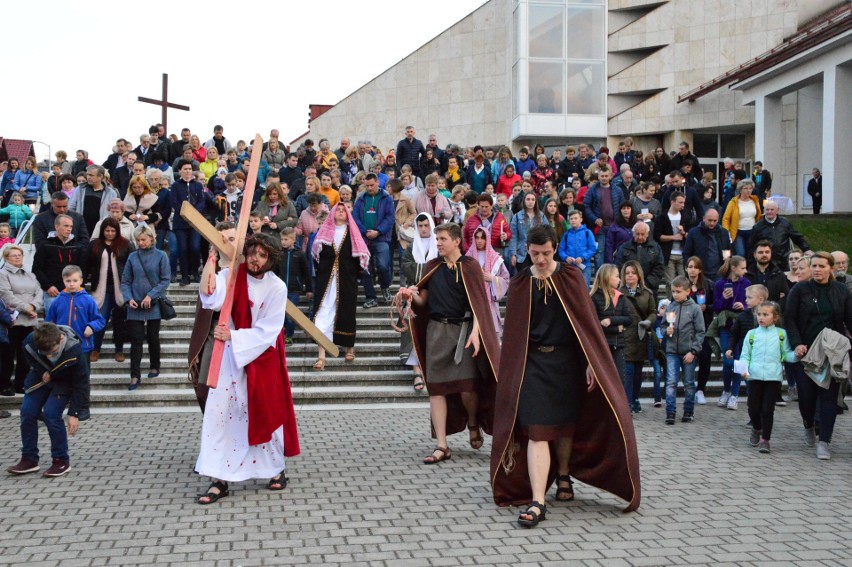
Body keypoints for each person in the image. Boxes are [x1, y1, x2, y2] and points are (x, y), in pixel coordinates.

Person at [491, 225, 640, 525]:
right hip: (532, 365)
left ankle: (563, 475)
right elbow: (515, 333)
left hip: (567, 363)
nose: (541, 260)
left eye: (546, 253)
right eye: (535, 254)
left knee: (565, 425)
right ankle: (537, 501)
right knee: (537, 429)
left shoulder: (571, 278)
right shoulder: (521, 283)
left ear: (556, 247)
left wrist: (590, 362)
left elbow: (586, 326)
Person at [195, 232, 300, 504]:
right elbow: (210, 294)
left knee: (264, 412)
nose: (255, 259)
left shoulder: (277, 287)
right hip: (229, 358)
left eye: (262, 255)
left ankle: (274, 470)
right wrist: (212, 256)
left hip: (262, 356)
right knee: (222, 415)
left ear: (271, 259)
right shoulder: (232, 275)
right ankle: (219, 477)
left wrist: (236, 336)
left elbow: (270, 329)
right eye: (252, 253)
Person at [399, 222, 500, 466]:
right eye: (437, 240)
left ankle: (473, 422)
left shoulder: (470, 266)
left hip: (463, 332)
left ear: (456, 241)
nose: (439, 243)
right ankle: (442, 446)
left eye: (443, 239)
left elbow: (479, 304)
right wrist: (411, 294)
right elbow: (424, 300)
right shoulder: (433, 266)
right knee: (436, 390)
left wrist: (477, 331)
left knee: (467, 388)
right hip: (436, 332)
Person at [784, 252, 852, 460]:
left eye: (822, 266)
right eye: (814, 265)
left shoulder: (841, 291)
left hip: (832, 353)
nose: (817, 269)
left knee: (829, 398)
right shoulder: (800, 289)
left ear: (830, 268)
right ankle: (808, 424)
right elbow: (790, 318)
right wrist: (797, 344)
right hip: (806, 351)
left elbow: (849, 320)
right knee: (806, 397)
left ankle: (825, 441)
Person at [6, 323, 89, 477]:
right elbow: (30, 359)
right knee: (27, 411)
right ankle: (29, 459)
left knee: (51, 414)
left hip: (64, 382)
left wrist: (74, 413)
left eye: (53, 352)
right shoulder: (30, 341)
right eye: (45, 353)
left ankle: (60, 460)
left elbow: (81, 383)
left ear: (61, 339)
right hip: (40, 378)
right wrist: (43, 370)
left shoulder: (75, 350)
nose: (50, 356)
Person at [311, 204, 370, 369]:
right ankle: (321, 356)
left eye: (344, 210)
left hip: (346, 279)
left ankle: (349, 348)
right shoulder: (324, 231)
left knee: (347, 312)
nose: (341, 212)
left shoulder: (352, 233)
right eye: (338, 209)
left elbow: (360, 257)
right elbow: (317, 255)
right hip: (326, 280)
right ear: (332, 213)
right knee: (322, 312)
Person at [188, 222, 237, 413]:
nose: (226, 244)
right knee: (205, 389)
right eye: (220, 240)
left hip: (241, 332)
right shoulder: (212, 270)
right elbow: (208, 298)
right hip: (216, 330)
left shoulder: (251, 269)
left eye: (231, 240)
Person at [741, 301, 799, 453]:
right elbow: (744, 355)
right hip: (754, 376)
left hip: (773, 378)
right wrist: (743, 370)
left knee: (768, 410)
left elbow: (786, 354)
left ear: (775, 317)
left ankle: (765, 440)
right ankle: (756, 427)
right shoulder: (751, 334)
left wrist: (797, 355)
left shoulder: (781, 334)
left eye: (766, 315)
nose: (761, 317)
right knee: (753, 409)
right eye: (759, 314)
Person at [120, 225, 170, 390]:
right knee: (136, 340)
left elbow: (165, 280)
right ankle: (134, 375)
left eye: (143, 239)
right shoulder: (133, 257)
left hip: (153, 303)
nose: (140, 243)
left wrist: (151, 295)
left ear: (151, 238)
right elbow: (126, 280)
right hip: (135, 304)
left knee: (153, 337)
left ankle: (155, 365)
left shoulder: (161, 255)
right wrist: (128, 299)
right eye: (138, 240)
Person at [45, 265, 105, 398]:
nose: (71, 284)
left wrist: (91, 326)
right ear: (63, 281)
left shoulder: (88, 300)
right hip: (62, 347)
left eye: (75, 280)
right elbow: (49, 323)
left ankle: (83, 405)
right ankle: (64, 401)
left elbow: (99, 320)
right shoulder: (57, 301)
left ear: (81, 280)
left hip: (83, 346)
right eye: (68, 281)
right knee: (64, 376)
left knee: (82, 376)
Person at [400, 213, 439, 392]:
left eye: (426, 225)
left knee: (432, 333)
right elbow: (407, 267)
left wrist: (424, 270)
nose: (423, 229)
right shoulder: (411, 248)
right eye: (420, 226)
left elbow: (442, 267)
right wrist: (428, 271)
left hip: (436, 296)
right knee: (414, 332)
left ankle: (428, 370)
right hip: (413, 295)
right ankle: (417, 372)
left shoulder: (438, 246)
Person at [88, 217, 132, 363]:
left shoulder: (125, 244)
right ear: (102, 231)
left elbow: (131, 264)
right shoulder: (95, 244)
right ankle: (96, 349)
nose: (110, 233)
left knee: (120, 321)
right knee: (100, 318)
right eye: (107, 230)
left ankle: (119, 350)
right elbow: (87, 263)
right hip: (101, 288)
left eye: (113, 230)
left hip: (119, 288)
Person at [663, 276, 706, 425]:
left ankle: (688, 411)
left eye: (678, 292)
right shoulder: (670, 306)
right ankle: (670, 412)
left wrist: (693, 351)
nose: (675, 294)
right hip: (671, 351)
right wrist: (666, 331)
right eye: (673, 291)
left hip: (688, 352)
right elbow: (662, 326)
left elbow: (700, 332)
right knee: (670, 382)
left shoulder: (694, 308)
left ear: (687, 291)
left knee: (688, 382)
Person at [0, 245, 42, 395]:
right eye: (14, 255)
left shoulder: (30, 275)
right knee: (8, 355)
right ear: (6, 258)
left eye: (20, 255)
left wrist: (33, 306)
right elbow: (6, 295)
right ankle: (4, 384)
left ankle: (21, 383)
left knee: (26, 354)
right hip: (12, 321)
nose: (18, 257)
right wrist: (26, 307)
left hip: (29, 320)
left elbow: (39, 292)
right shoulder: (3, 274)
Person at [620, 261, 658, 413]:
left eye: (633, 273)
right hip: (625, 337)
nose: (630, 275)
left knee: (637, 373)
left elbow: (653, 311)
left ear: (638, 275)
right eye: (627, 272)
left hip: (641, 337)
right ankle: (627, 402)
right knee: (628, 371)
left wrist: (648, 321)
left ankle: (635, 398)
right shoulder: (619, 292)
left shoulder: (647, 293)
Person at [352, 173, 395, 308]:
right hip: (364, 239)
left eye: (372, 185)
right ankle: (370, 297)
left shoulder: (386, 198)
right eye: (367, 186)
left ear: (377, 183)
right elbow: (355, 218)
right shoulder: (360, 199)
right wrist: (365, 232)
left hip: (381, 238)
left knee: (383, 266)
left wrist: (378, 231)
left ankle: (385, 287)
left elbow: (390, 218)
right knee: (365, 269)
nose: (369, 188)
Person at [714, 256, 751, 410]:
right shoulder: (720, 284)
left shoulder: (746, 283)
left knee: (739, 361)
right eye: (742, 268)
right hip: (726, 325)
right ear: (733, 268)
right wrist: (724, 298)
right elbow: (716, 307)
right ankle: (726, 390)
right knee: (728, 360)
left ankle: (734, 394)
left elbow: (751, 303)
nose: (745, 271)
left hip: (741, 326)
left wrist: (743, 305)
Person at [590, 264, 632, 402]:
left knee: (620, 379)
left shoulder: (620, 297)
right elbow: (595, 325)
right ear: (607, 277)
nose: (619, 280)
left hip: (617, 345)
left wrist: (611, 320)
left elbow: (628, 319)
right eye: (617, 276)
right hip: (601, 346)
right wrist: (616, 327)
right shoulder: (594, 298)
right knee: (601, 380)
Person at [32, 214, 89, 314]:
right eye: (66, 226)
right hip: (52, 292)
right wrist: (48, 286)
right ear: (56, 226)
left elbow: (82, 269)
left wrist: (80, 286)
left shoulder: (77, 246)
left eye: (71, 226)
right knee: (53, 325)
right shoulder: (45, 245)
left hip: (73, 291)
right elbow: (36, 269)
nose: (69, 229)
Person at [465, 226, 510, 338]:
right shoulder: (468, 257)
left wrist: (493, 279)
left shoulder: (495, 257)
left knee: (489, 335)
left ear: (487, 239)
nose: (479, 241)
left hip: (489, 300)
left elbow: (506, 279)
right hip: (472, 298)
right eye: (477, 237)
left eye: (482, 238)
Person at [170, 160, 209, 286]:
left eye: (189, 169)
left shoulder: (197, 185)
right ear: (180, 170)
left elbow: (202, 201)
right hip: (180, 222)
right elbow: (174, 202)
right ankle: (185, 275)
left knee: (195, 247)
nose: (187, 171)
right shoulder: (175, 185)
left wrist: (193, 213)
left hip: (195, 222)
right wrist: (184, 212)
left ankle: (195, 271)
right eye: (185, 169)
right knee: (183, 248)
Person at [685, 256, 715, 405]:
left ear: (700, 269)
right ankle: (688, 388)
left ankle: (700, 389)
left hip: (704, 327)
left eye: (695, 267)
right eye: (690, 267)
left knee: (705, 357)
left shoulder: (708, 285)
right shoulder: (682, 284)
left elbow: (715, 303)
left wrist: (707, 307)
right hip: (687, 329)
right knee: (688, 360)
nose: (692, 270)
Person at [275, 227, 312, 345]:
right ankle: (283, 333)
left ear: (293, 240)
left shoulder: (300, 254)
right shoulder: (279, 254)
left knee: (291, 314)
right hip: (280, 289)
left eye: (286, 239)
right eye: (282, 239)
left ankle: (289, 336)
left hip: (294, 289)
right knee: (281, 314)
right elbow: (275, 272)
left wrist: (309, 289)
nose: (283, 242)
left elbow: (306, 272)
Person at [613, 222, 666, 291]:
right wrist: (627, 282)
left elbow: (659, 268)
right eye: (637, 234)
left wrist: (647, 283)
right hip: (627, 287)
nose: (640, 237)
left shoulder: (655, 248)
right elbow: (618, 265)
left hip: (649, 288)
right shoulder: (624, 247)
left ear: (647, 234)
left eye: (642, 234)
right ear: (633, 233)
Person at [68, 165, 120, 235]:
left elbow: (113, 212)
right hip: (81, 228)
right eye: (87, 175)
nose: (88, 177)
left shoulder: (111, 193)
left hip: (100, 229)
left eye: (91, 175)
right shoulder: (80, 189)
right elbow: (71, 207)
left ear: (100, 177)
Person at [683, 209, 731, 281]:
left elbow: (727, 251)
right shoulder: (694, 233)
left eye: (715, 221)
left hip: (719, 273)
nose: (712, 223)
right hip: (700, 273)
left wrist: (726, 266)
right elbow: (687, 253)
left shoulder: (724, 233)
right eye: (710, 220)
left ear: (718, 220)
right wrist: (689, 270)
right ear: (704, 219)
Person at [722, 179, 762, 257]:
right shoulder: (733, 202)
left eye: (750, 188)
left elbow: (758, 215)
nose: (748, 191)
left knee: (751, 254)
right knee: (741, 253)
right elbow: (726, 218)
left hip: (752, 231)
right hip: (738, 232)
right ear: (740, 190)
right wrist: (726, 232)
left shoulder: (755, 200)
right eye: (746, 188)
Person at [508, 192, 547, 272]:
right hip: (522, 253)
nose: (530, 202)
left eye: (533, 199)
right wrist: (513, 254)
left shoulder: (542, 216)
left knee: (538, 277)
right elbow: (513, 236)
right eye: (528, 199)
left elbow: (547, 233)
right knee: (524, 278)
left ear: (535, 201)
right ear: (524, 201)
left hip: (538, 251)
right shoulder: (517, 216)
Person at [557, 210, 596, 286]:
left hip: (584, 266)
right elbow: (561, 250)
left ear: (581, 219)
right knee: (570, 288)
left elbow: (592, 248)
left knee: (584, 289)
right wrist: (566, 257)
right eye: (571, 219)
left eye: (575, 218)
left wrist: (582, 257)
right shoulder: (566, 234)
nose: (573, 220)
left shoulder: (587, 232)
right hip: (569, 266)